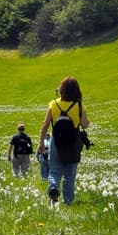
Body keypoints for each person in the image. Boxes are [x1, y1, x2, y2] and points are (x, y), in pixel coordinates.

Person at [38, 77, 90, 206]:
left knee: (54, 170)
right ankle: (68, 201)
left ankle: (53, 188)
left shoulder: (53, 104)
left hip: (56, 142)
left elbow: (45, 125)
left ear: (61, 90)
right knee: (70, 174)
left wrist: (40, 144)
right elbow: (85, 124)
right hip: (73, 143)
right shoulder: (79, 105)